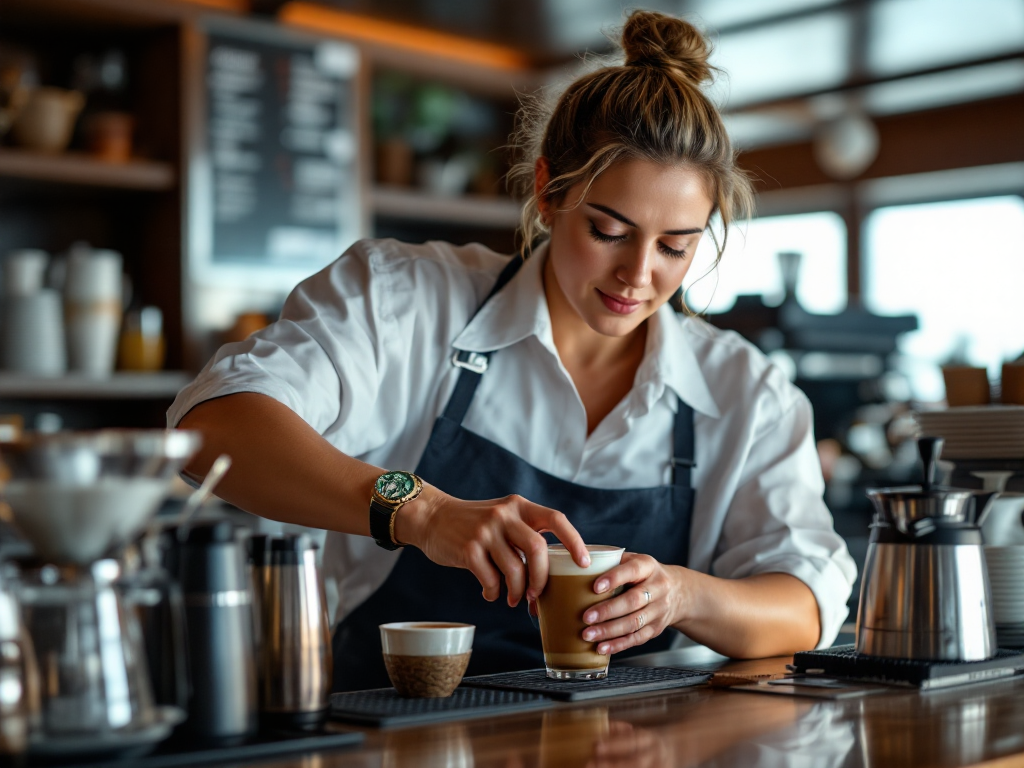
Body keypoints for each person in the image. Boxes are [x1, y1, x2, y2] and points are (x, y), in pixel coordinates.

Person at [170, 9, 857, 691]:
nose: (639, 274)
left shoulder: (746, 392)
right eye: (609, 230)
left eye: (677, 245)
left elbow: (806, 603)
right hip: (388, 732)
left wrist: (683, 596)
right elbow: (213, 430)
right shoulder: (405, 297)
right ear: (547, 192)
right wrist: (423, 513)